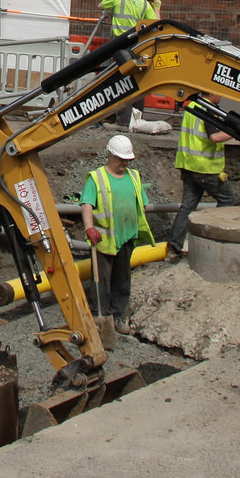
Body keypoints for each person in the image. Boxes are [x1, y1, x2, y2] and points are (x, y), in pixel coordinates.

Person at [80, 134, 156, 336]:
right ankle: (100, 317)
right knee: (101, 281)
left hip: (126, 238)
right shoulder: (96, 177)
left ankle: (119, 315)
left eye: (128, 160)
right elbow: (87, 204)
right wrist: (89, 228)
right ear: (110, 155)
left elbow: (142, 203)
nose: (125, 163)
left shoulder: (134, 177)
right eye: (121, 159)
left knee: (122, 279)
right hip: (103, 239)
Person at [99, 0, 169, 133]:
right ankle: (137, 119)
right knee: (137, 81)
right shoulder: (145, 4)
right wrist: (157, 8)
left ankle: (122, 123)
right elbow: (157, 24)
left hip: (119, 45)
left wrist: (110, 10)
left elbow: (101, 5)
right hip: (137, 46)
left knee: (122, 81)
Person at [165, 101, 239, 256]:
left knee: (187, 207)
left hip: (189, 165)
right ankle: (212, 238)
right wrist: (237, 132)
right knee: (227, 201)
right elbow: (214, 137)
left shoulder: (192, 106)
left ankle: (174, 246)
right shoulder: (208, 111)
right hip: (206, 168)